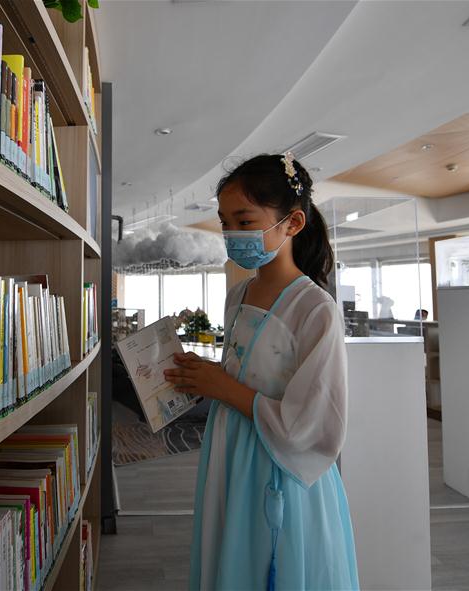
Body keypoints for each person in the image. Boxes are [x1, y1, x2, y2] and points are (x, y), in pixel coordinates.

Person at [164, 153, 358, 590]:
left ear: (292, 223)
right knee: (231, 557)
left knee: (270, 563)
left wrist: (224, 387)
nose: (232, 234)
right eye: (225, 221)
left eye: (245, 221)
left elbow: (315, 423)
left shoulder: (314, 309)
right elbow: (249, 371)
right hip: (230, 450)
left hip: (279, 469)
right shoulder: (238, 294)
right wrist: (205, 376)